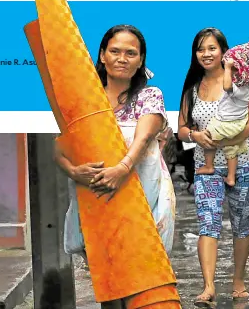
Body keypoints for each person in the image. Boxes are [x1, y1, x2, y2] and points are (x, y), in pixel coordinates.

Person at [54, 24, 176, 309]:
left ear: (141, 60)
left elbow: (145, 135)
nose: (123, 58)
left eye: (131, 53)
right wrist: (73, 171)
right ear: (103, 55)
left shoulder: (150, 96)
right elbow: (58, 149)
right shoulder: (82, 101)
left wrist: (123, 168)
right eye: (115, 51)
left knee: (142, 281)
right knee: (107, 282)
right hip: (96, 198)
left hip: (144, 198)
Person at [177, 27, 249, 305]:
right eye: (201, 49)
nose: (206, 54)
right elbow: (181, 130)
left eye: (212, 48)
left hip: (244, 163)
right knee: (208, 224)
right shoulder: (191, 88)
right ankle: (208, 286)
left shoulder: (241, 79)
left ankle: (238, 281)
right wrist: (196, 136)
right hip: (205, 167)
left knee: (241, 224)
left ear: (224, 52)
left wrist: (227, 141)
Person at [195, 41, 249, 187]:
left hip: (226, 122)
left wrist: (228, 69)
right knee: (232, 150)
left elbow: (227, 86)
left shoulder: (236, 87)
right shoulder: (248, 85)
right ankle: (231, 177)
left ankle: (209, 165)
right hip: (238, 123)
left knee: (208, 136)